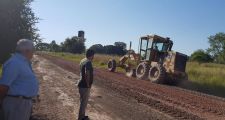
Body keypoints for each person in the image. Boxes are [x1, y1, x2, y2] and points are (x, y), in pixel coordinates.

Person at [0, 39, 39, 120]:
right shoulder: (14, 63)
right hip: (16, 104)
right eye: (32, 50)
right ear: (26, 50)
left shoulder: (23, 62)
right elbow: (3, 86)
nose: (33, 53)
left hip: (21, 103)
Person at [78, 49, 95, 120]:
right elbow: (87, 74)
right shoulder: (88, 62)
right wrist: (88, 84)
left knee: (82, 101)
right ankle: (81, 118)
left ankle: (82, 116)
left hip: (81, 84)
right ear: (91, 55)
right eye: (93, 55)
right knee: (83, 103)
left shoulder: (83, 60)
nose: (94, 57)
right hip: (84, 86)